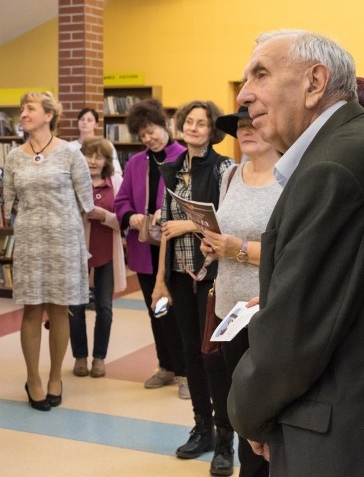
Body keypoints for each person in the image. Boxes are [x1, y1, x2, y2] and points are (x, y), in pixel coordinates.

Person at [228, 30, 364, 476]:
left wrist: (247, 413)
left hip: (331, 430)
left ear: (314, 83)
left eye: (260, 74)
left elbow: (293, 337)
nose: (244, 95)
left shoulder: (330, 168)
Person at [198, 106, 280, 477]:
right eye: (240, 127)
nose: (245, 131)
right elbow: (225, 232)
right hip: (230, 308)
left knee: (269, 411)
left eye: (253, 124)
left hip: (270, 309)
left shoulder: (291, 177)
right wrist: (213, 246)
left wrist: (240, 250)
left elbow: (294, 250)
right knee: (240, 404)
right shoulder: (231, 174)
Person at [151, 101, 234, 469]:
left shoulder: (223, 168)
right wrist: (160, 280)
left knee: (212, 356)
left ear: (212, 129)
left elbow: (226, 224)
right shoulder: (168, 169)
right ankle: (201, 427)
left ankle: (224, 438)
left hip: (213, 274)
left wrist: (189, 225)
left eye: (202, 123)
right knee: (188, 353)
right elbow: (166, 228)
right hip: (180, 274)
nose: (195, 127)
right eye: (189, 121)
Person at [3, 91, 94, 411]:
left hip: (65, 240)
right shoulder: (14, 156)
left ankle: (56, 376)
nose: (23, 113)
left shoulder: (71, 153)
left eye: (30, 108)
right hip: (29, 240)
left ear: (48, 115)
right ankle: (34, 379)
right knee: (31, 309)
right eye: (22, 108)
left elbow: (87, 204)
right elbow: (9, 203)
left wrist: (82, 250)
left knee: (59, 309)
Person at [113, 99, 187, 396]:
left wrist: (163, 212)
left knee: (178, 312)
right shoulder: (135, 162)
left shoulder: (183, 157)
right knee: (156, 311)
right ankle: (166, 366)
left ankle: (185, 373)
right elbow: (121, 201)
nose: (148, 138)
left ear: (164, 124)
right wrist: (131, 216)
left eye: (152, 130)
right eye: (142, 135)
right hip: (145, 249)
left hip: (176, 249)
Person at [70, 137, 126, 378]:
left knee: (105, 308)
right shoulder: (73, 182)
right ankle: (80, 357)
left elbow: (125, 220)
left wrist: (104, 216)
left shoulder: (117, 181)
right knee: (75, 307)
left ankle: (99, 358)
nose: (92, 161)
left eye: (98, 156)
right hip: (77, 254)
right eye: (88, 155)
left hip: (107, 254)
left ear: (106, 161)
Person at [69, 108, 122, 175]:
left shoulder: (106, 144)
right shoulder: (68, 146)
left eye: (89, 120)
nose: (85, 122)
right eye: (82, 119)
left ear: (96, 125)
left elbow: (116, 171)